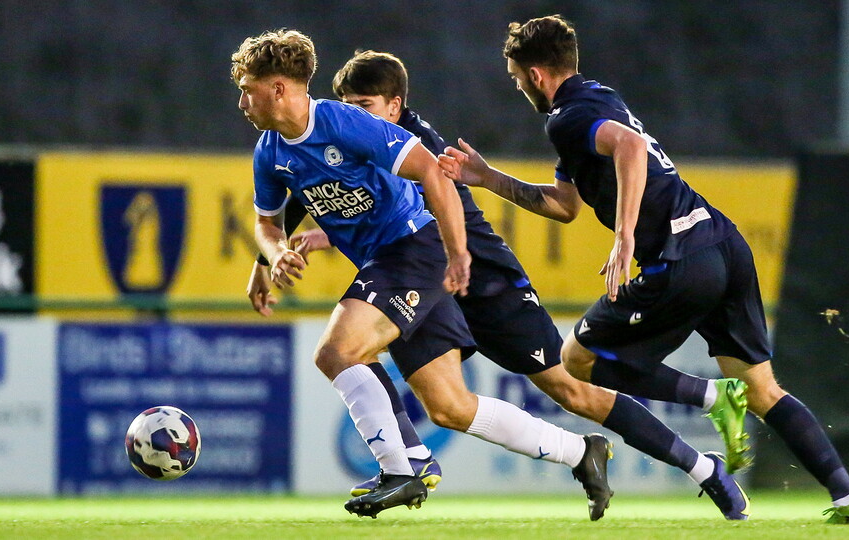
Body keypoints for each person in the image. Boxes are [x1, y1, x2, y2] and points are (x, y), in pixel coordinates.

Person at [249, 49, 751, 521]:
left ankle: (701, 465)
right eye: (349, 106)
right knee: (445, 407)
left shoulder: (411, 139)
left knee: (570, 388)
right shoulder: (335, 139)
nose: (356, 113)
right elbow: (309, 182)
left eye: (365, 105)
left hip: (481, 277)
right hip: (425, 273)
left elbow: (414, 197)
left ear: (395, 106)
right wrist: (271, 256)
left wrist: (472, 215)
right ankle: (564, 453)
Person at [438, 15, 849, 525]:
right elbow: (564, 205)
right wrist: (487, 177)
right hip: (724, 242)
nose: (517, 87)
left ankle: (714, 395)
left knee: (576, 357)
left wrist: (625, 234)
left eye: (516, 77)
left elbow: (627, 147)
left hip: (679, 258)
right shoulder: (598, 98)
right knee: (765, 391)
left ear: (536, 74)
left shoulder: (567, 117)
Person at [231, 29, 613, 520]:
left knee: (336, 351)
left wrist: (458, 253)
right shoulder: (269, 151)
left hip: (414, 246)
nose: (242, 100)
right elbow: (266, 221)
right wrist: (274, 252)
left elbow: (432, 171)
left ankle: (403, 467)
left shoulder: (345, 123)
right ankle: (581, 452)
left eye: (248, 88)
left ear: (279, 88)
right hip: (385, 262)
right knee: (449, 406)